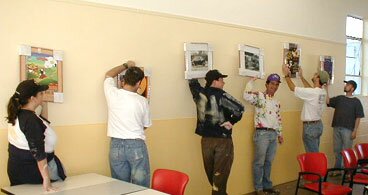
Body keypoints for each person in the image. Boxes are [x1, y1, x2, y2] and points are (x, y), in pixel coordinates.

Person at [188, 69, 244, 195]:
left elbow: (192, 83)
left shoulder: (199, 93)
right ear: (215, 82)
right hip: (222, 141)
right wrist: (231, 122)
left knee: (213, 175)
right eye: (221, 80)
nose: (223, 83)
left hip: (206, 141)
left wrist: (192, 68)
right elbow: (240, 109)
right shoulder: (221, 95)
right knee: (219, 176)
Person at [6, 79, 66, 192]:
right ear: (32, 98)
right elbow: (38, 151)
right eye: (41, 94)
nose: (43, 95)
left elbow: (42, 125)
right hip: (32, 173)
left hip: (19, 169)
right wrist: (46, 181)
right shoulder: (30, 120)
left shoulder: (20, 113)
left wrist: (44, 105)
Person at [104, 61, 152, 187]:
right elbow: (145, 125)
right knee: (140, 187)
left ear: (123, 80)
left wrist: (126, 65)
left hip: (116, 145)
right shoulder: (142, 101)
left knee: (120, 186)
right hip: (136, 145)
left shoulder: (112, 94)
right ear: (138, 83)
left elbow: (109, 75)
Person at [243, 74, 283, 195]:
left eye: (276, 85)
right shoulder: (259, 96)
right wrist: (251, 81)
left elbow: (278, 118)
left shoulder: (277, 102)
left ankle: (267, 186)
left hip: (273, 134)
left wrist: (280, 133)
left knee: (268, 162)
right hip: (261, 134)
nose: (274, 86)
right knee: (259, 162)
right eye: (272, 84)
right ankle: (259, 188)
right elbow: (245, 95)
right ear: (267, 84)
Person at [282, 65, 329, 152]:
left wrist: (286, 75)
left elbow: (292, 88)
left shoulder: (313, 93)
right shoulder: (322, 92)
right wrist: (301, 77)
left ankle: (316, 165)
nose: (314, 75)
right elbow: (310, 89)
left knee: (312, 156)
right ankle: (317, 165)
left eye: (316, 74)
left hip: (310, 127)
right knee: (315, 152)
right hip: (318, 125)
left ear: (318, 79)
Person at [326, 80, 364, 170]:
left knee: (347, 151)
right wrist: (326, 88)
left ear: (352, 88)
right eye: (346, 84)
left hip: (348, 129)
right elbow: (328, 101)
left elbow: (358, 117)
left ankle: (348, 171)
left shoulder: (356, 102)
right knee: (337, 150)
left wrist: (355, 131)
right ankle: (338, 169)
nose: (346, 85)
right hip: (336, 127)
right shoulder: (340, 98)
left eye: (348, 85)